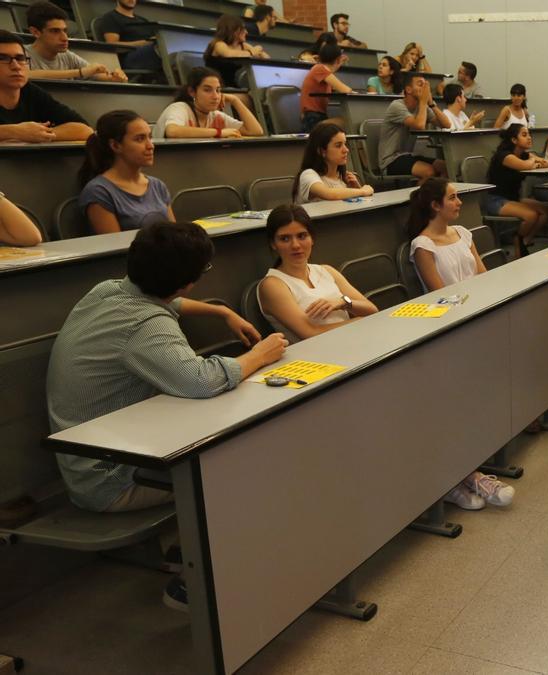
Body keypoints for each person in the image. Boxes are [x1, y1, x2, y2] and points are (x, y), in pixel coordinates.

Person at [46, 220, 287, 610]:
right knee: (240, 465)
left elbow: (169, 301)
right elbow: (201, 380)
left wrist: (220, 312)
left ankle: (186, 547)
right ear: (187, 280)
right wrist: (260, 355)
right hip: (110, 479)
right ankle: (191, 584)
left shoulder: (107, 291)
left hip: (90, 456)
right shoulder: (146, 326)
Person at [404, 178, 516, 508]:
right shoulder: (422, 245)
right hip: (449, 325)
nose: (459, 202)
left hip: (477, 313)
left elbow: (482, 275)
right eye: (452, 198)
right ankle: (466, 472)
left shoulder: (464, 234)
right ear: (435, 205)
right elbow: (439, 293)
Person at [256, 204, 378, 343]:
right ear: (273, 244)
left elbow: (372, 310)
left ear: (312, 238)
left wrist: (343, 302)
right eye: (285, 239)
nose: (295, 245)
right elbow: (310, 333)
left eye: (302, 236)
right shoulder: (272, 284)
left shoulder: (326, 270)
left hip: (351, 341)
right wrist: (359, 321)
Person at [78, 110, 172, 234]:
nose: (150, 146)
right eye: (140, 139)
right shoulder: (99, 192)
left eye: (150, 137)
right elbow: (115, 248)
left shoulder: (158, 185)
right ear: (115, 146)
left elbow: (175, 236)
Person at [0, 31, 92, 143]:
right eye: (3, 58)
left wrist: (38, 134)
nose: (16, 66)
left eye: (20, 59)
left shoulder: (30, 91)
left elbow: (84, 130)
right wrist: (14, 132)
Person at [484, 124, 548, 257]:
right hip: (496, 200)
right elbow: (525, 165)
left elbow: (546, 163)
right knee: (531, 215)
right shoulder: (505, 156)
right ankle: (518, 240)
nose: (529, 138)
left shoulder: (524, 155)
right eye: (524, 135)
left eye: (529, 134)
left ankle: (524, 241)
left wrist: (534, 162)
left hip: (513, 199)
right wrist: (532, 160)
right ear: (514, 140)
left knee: (546, 211)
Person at [26, 1, 127, 82]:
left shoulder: (67, 56)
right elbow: (25, 74)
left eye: (65, 31)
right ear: (35, 32)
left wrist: (114, 78)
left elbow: (95, 74)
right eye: (55, 31)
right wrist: (80, 72)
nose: (64, 38)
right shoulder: (21, 53)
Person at [154, 66, 264, 139]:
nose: (216, 96)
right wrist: (219, 132)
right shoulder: (180, 108)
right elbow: (173, 132)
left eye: (218, 90)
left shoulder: (215, 115)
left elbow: (256, 132)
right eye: (207, 90)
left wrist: (235, 100)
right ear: (192, 92)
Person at [379, 71, 449, 182]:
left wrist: (431, 104)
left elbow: (447, 124)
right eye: (420, 84)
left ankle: (437, 196)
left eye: (426, 85)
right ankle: (419, 199)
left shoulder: (422, 107)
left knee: (445, 167)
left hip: (409, 155)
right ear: (408, 90)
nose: (425, 88)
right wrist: (423, 101)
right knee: (429, 171)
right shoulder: (396, 106)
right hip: (390, 160)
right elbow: (420, 125)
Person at [291, 122, 374, 203]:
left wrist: (357, 189)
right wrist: (362, 191)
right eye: (338, 145)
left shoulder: (343, 180)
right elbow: (329, 194)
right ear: (321, 151)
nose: (346, 150)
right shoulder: (308, 175)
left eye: (345, 144)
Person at [94, 0, 161, 74]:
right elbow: (112, 45)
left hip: (150, 54)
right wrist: (144, 43)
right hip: (128, 59)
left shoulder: (143, 20)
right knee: (160, 48)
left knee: (167, 45)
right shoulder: (110, 18)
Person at [204, 14, 269, 88]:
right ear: (234, 31)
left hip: (236, 88)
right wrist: (252, 52)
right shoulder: (219, 44)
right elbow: (228, 54)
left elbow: (266, 58)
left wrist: (261, 53)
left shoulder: (243, 45)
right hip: (218, 87)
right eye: (243, 29)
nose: (246, 32)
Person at [299, 42, 352, 132]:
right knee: (347, 122)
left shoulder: (321, 70)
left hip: (318, 117)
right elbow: (346, 90)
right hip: (312, 120)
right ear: (338, 60)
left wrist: (338, 63)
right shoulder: (319, 69)